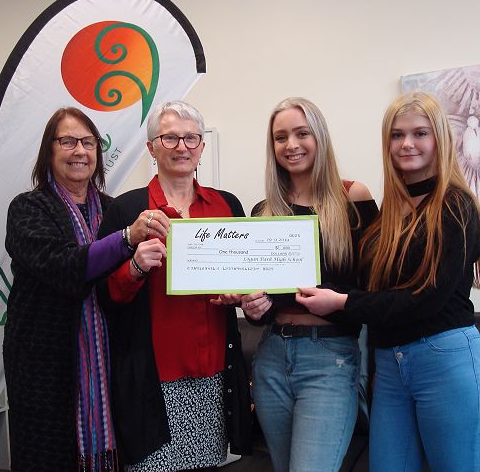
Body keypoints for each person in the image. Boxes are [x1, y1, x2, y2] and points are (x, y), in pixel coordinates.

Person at [297, 92, 480, 472]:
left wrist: (342, 302)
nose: (407, 144)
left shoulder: (456, 205)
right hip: (389, 362)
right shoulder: (389, 214)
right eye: (397, 135)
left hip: (443, 357)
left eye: (420, 133)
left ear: (440, 139)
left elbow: (424, 299)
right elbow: (367, 285)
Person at [97, 100, 252, 471]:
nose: (182, 146)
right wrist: (135, 267)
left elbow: (246, 275)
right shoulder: (125, 210)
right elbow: (105, 296)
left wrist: (242, 294)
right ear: (152, 148)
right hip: (152, 376)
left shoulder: (227, 205)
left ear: (201, 146)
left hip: (213, 371)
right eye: (170, 138)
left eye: (190, 138)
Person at [4, 107, 153, 471]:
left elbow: (122, 285)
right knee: (48, 459)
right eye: (68, 141)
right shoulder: (27, 209)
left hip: (110, 366)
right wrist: (126, 239)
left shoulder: (113, 209)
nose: (80, 151)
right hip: (45, 370)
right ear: (49, 150)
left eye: (88, 142)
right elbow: (65, 265)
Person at [240, 97, 378, 472]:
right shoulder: (264, 211)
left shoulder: (353, 197)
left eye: (302, 133)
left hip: (330, 358)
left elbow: (375, 287)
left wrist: (337, 301)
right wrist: (254, 306)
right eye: (280, 137)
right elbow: (261, 306)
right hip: (271, 357)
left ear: (319, 137)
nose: (291, 145)